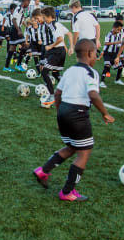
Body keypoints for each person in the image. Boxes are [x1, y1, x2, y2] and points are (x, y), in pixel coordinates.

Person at [33, 39, 114, 201]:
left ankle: (43, 170)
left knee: (71, 147)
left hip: (63, 111)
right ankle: (67, 191)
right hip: (78, 114)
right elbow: (93, 94)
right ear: (90, 54)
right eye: (95, 54)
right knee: (84, 152)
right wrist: (104, 113)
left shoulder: (69, 71)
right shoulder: (91, 73)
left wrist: (59, 114)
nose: (95, 58)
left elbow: (57, 94)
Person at [32, 6, 73, 106]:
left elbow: (59, 38)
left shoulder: (53, 25)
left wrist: (51, 46)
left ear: (49, 17)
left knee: (44, 71)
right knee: (54, 73)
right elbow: (68, 33)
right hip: (55, 51)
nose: (42, 19)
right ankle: (69, 88)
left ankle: (51, 94)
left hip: (55, 51)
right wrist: (70, 46)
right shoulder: (54, 24)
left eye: (43, 17)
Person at [3, 0, 31, 72]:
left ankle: (6, 67)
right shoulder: (19, 9)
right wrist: (18, 30)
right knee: (25, 46)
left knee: (12, 48)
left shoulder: (20, 9)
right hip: (15, 29)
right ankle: (18, 65)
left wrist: (27, 26)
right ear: (25, 1)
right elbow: (14, 20)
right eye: (28, 2)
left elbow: (20, 20)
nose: (28, 4)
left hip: (13, 29)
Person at [100, 21, 124, 88]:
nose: (119, 31)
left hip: (114, 53)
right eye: (118, 29)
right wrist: (116, 42)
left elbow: (119, 44)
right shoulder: (109, 34)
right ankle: (102, 81)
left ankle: (117, 80)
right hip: (107, 53)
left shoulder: (119, 34)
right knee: (107, 66)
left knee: (120, 67)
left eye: (120, 30)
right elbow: (106, 43)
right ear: (114, 28)